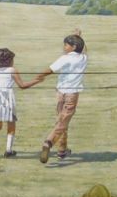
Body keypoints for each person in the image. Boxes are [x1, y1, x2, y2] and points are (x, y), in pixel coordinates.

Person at [33, 31, 88, 163]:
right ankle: (49, 142)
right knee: (63, 122)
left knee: (61, 121)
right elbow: (85, 49)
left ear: (73, 47)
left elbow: (51, 69)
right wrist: (79, 38)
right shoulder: (83, 58)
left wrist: (41, 75)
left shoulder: (65, 58)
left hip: (61, 93)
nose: (64, 47)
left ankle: (62, 150)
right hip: (72, 94)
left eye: (66, 45)